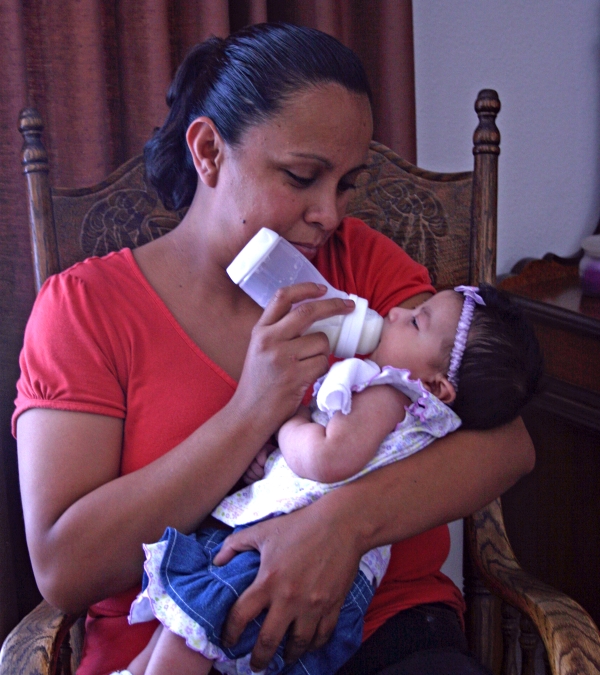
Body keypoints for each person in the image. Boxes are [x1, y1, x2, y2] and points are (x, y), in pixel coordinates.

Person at [13, 23, 536, 675]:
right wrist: (254, 408)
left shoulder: (363, 265)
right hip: (176, 647)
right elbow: (65, 565)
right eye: (301, 175)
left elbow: (506, 443)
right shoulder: (86, 309)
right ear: (208, 151)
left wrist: (342, 526)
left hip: (384, 634)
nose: (330, 214)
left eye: (346, 184)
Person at [121, 285, 542, 675]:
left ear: (437, 385)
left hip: (281, 554)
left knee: (191, 632)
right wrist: (272, 459)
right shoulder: (417, 414)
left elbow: (327, 459)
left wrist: (288, 420)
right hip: (304, 556)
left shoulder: (387, 391)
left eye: (416, 321)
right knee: (182, 624)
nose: (395, 312)